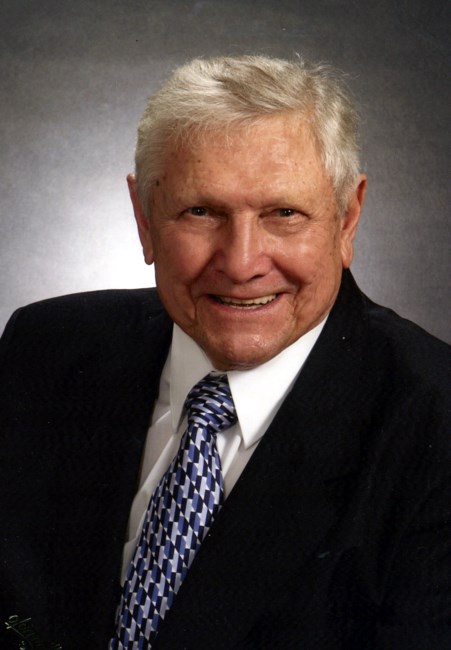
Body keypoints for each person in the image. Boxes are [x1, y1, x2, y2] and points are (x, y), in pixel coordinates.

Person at [0, 55, 449, 650]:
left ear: (347, 219)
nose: (241, 264)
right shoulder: (45, 349)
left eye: (284, 213)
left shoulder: (435, 427)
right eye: (201, 212)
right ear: (144, 218)